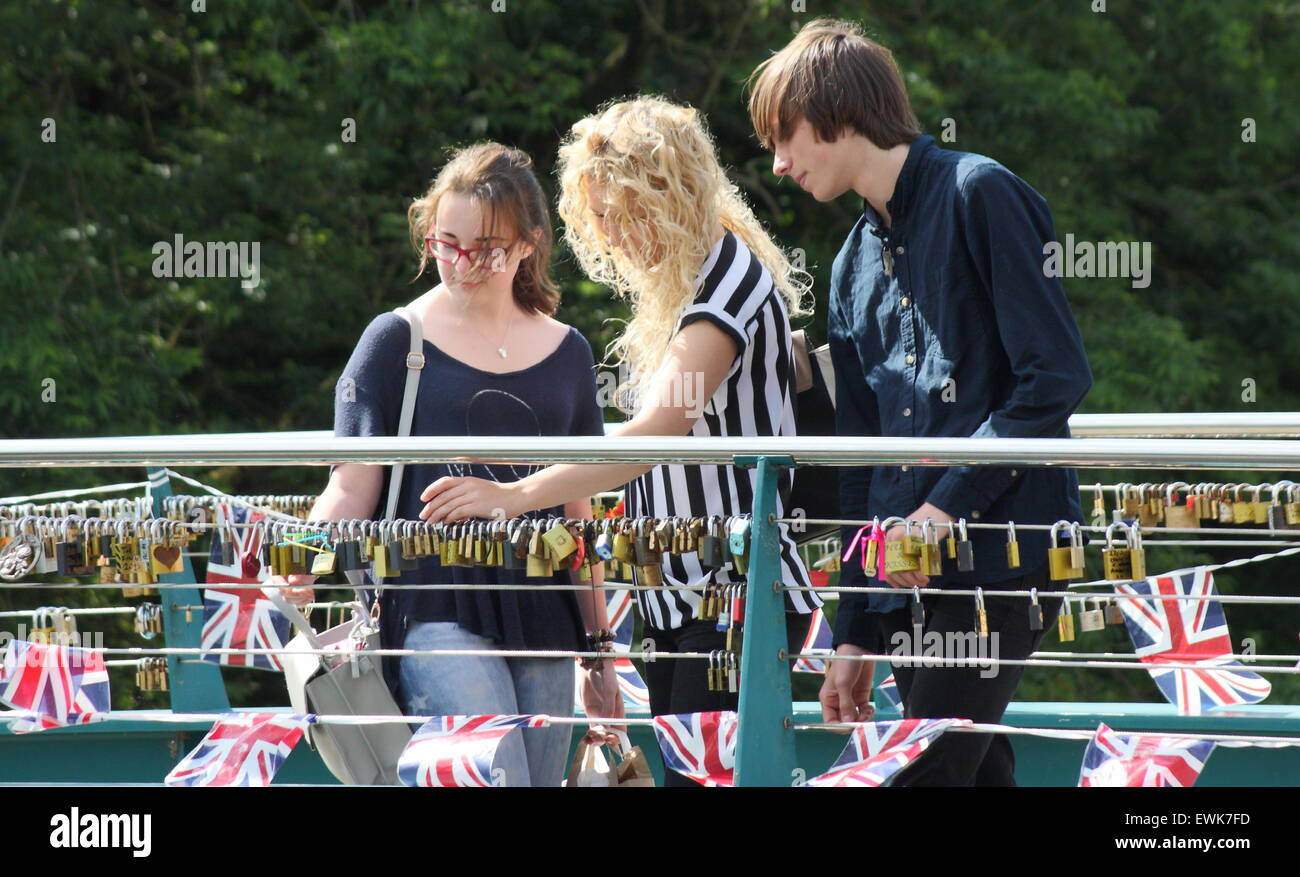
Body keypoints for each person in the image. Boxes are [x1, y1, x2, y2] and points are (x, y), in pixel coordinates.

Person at [419, 97, 823, 786]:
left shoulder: (726, 282)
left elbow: (655, 436)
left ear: (666, 195)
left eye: (618, 213)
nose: (609, 236)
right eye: (599, 218)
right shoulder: (690, 282)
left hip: (729, 599)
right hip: (683, 601)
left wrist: (514, 494)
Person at [747, 19, 1093, 785]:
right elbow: (862, 464)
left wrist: (945, 505)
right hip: (910, 578)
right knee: (968, 772)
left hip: (1001, 559)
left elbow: (1055, 377)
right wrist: (854, 632)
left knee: (918, 774)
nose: (778, 163)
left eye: (786, 135)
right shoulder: (846, 266)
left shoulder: (983, 192)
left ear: (835, 111)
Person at [267, 142, 619, 787]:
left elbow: (580, 509)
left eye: (483, 248)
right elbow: (349, 486)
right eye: (444, 243)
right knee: (489, 778)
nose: (460, 264)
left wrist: (600, 653)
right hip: (432, 604)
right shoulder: (394, 339)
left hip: (546, 613)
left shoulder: (570, 351)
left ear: (527, 244)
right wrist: (302, 563)